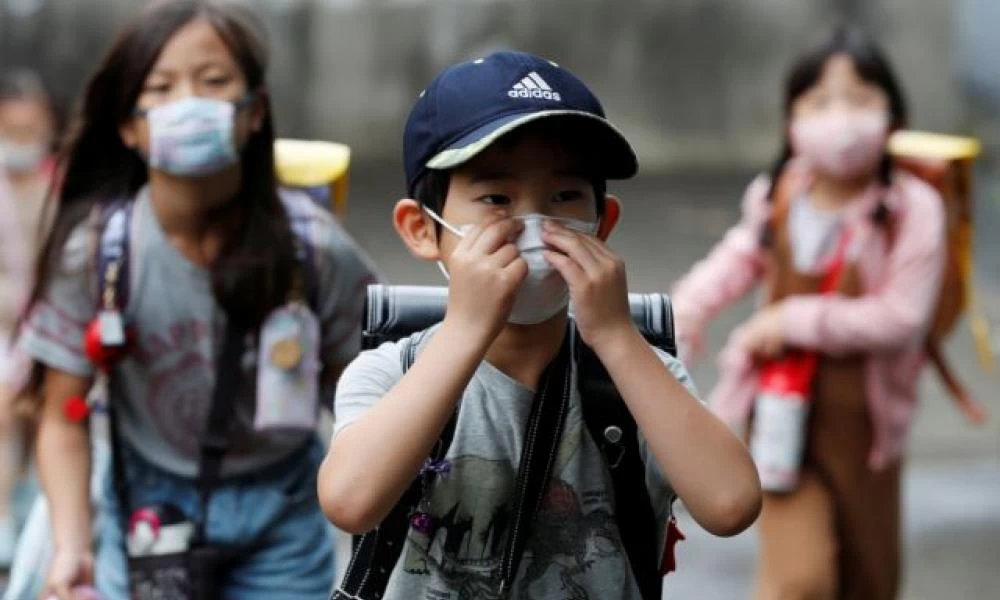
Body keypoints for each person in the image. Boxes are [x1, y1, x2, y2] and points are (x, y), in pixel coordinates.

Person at [318, 50, 761, 600]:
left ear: (603, 224)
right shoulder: (390, 371)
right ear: (421, 228)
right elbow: (349, 502)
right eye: (496, 199)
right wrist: (464, 330)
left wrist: (617, 336)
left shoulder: (637, 379)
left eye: (565, 197)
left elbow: (731, 505)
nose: (535, 225)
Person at [16, 1, 379, 599]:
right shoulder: (99, 255)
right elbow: (62, 415)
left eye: (212, 82)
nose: (188, 102)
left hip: (282, 517)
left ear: (254, 111)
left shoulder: (315, 253)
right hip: (146, 513)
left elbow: (367, 400)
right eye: (161, 87)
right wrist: (72, 545)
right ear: (129, 125)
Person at [671, 26, 947, 600]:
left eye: (860, 99)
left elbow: (903, 317)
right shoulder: (779, 193)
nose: (840, 119)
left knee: (868, 580)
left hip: (867, 432)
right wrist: (680, 314)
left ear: (893, 116)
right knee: (800, 581)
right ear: (791, 121)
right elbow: (736, 258)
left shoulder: (911, 209)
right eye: (820, 101)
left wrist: (791, 319)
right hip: (777, 420)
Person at [0, 67, 59, 569]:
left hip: (51, 327)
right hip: (3, 331)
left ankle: (45, 527)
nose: (21, 143)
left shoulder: (59, 188)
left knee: (52, 414)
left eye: (30, 132)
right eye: (11, 133)